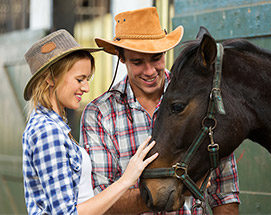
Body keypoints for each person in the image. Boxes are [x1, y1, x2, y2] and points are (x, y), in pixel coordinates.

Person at [80, 7, 240, 215]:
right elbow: (102, 202)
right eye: (137, 61)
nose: (149, 71)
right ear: (121, 57)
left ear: (165, 52)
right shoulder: (99, 114)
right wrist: (179, 186)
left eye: (156, 58)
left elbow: (225, 193)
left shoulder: (199, 100)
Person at [22, 29, 158, 215]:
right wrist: (126, 180)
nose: (86, 88)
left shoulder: (55, 127)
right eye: (80, 79)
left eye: (87, 79)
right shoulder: (47, 131)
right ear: (50, 78)